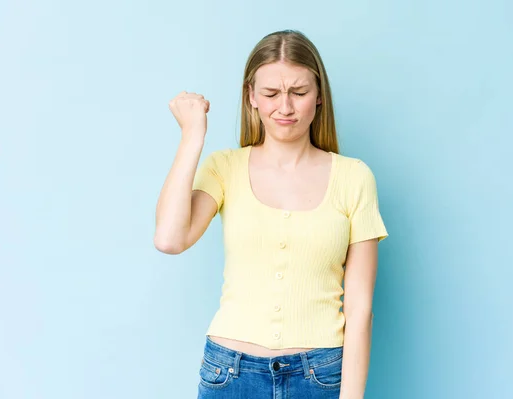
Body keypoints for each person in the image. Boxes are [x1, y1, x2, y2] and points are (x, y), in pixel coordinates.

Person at [154, 29, 388, 399]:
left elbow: (360, 310)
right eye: (271, 94)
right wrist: (192, 137)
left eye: (299, 92)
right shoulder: (224, 168)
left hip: (320, 375)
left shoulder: (354, 177)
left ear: (319, 96)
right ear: (251, 97)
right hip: (229, 374)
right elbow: (169, 238)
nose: (286, 107)